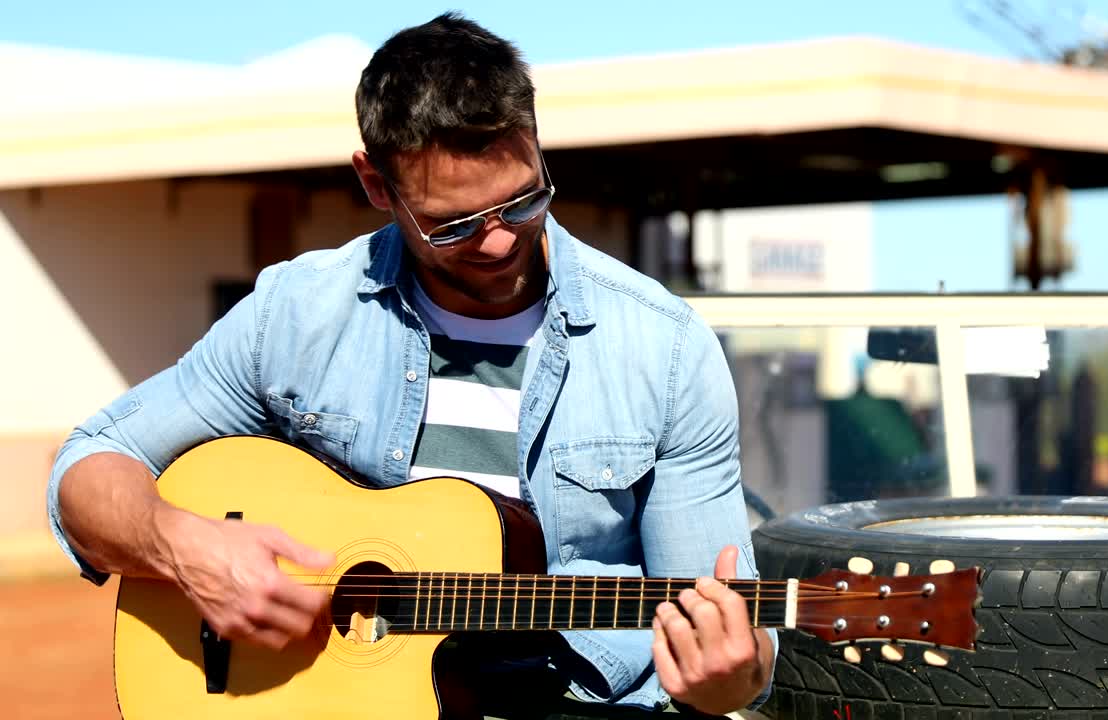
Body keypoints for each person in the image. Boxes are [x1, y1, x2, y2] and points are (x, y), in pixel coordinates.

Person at [46, 11, 775, 718]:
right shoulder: (296, 314)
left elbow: (733, 643)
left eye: (522, 203)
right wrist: (186, 549)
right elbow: (88, 468)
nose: (496, 243)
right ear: (374, 184)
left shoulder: (666, 348)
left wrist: (726, 680)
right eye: (453, 224)